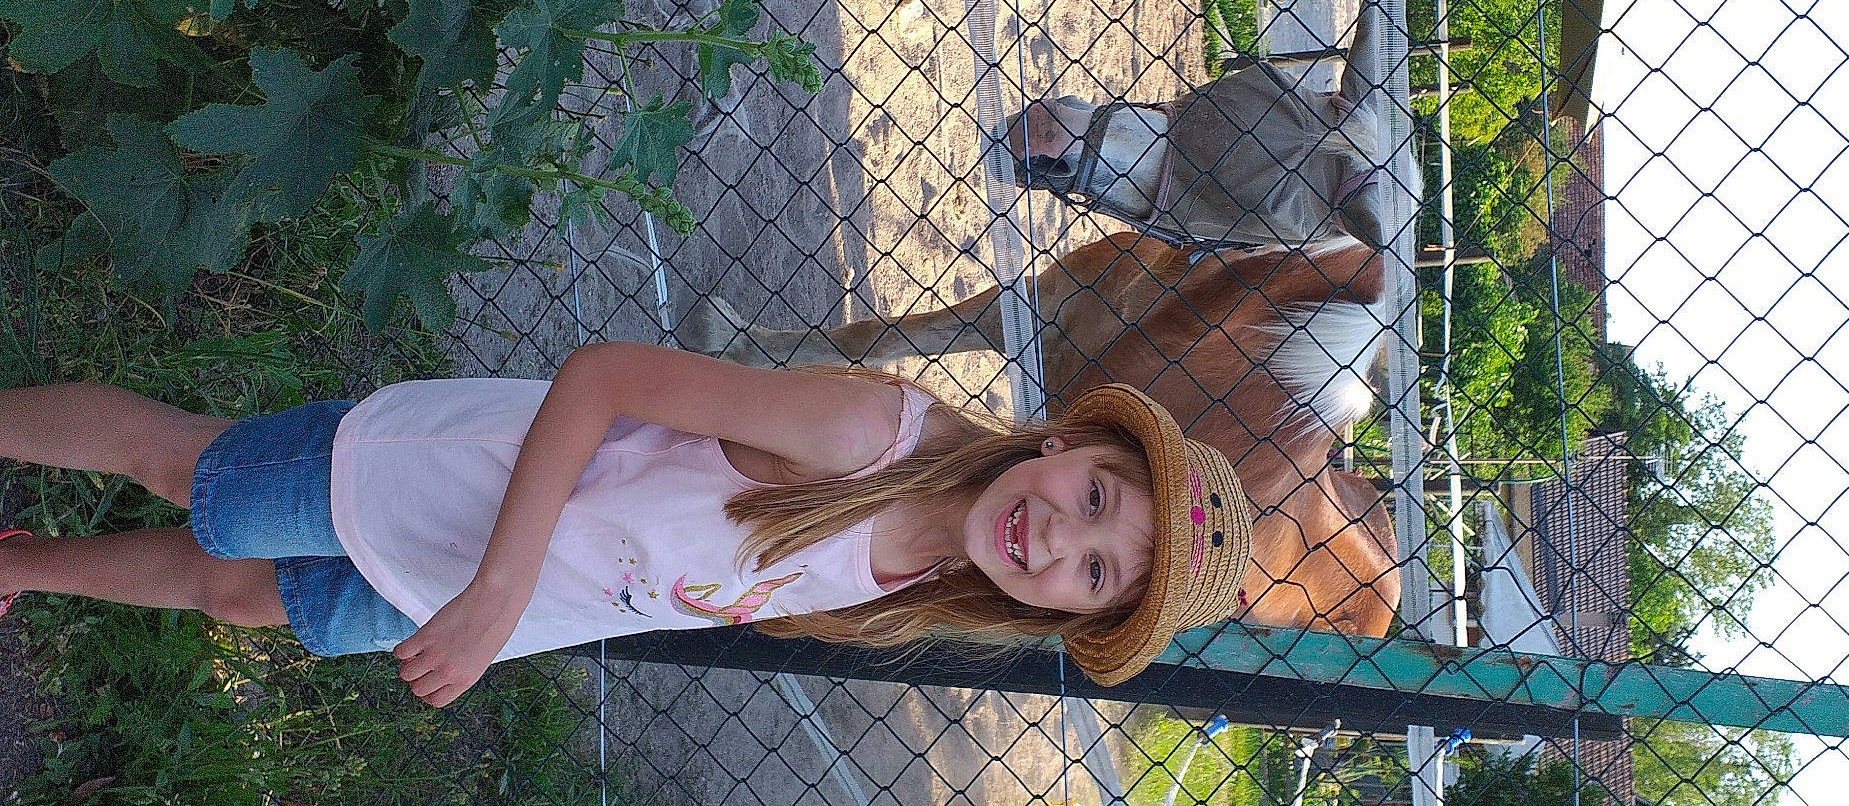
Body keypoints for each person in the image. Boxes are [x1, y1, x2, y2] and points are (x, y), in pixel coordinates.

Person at [0, 341, 1253, 704]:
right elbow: (600, 377)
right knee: (194, 478)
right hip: (453, 497)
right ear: (1065, 441)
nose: (1058, 537)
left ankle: (27, 565)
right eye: (1096, 495)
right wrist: (497, 589)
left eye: (1094, 574)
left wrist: (503, 609)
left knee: (236, 594)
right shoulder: (867, 435)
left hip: (475, 596)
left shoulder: (907, 582)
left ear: (1063, 611)